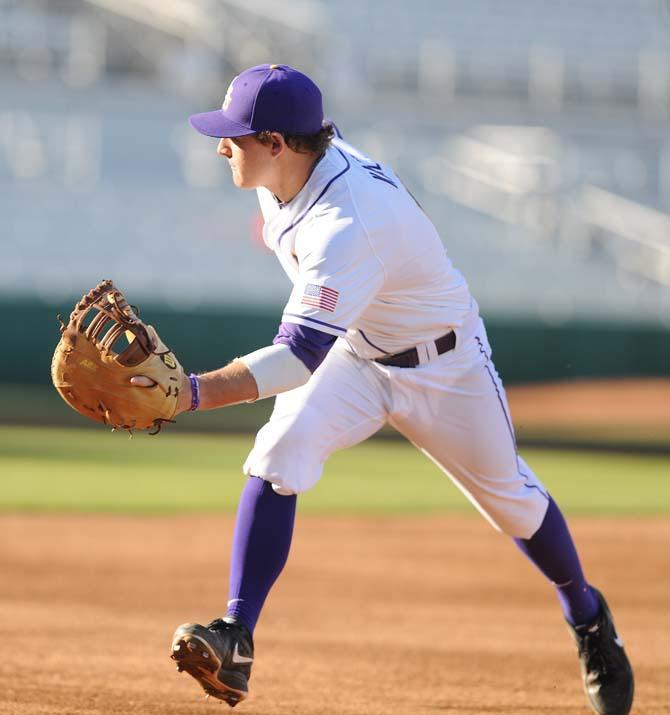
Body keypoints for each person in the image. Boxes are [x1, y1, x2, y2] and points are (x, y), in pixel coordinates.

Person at [158, 64, 634, 713]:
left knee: (514, 502)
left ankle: (588, 616)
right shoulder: (284, 173)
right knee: (279, 451)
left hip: (444, 366)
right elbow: (312, 347)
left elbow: (297, 355)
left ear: (275, 142)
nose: (221, 146)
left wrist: (191, 392)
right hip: (352, 353)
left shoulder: (347, 221)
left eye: (234, 136)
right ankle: (235, 636)